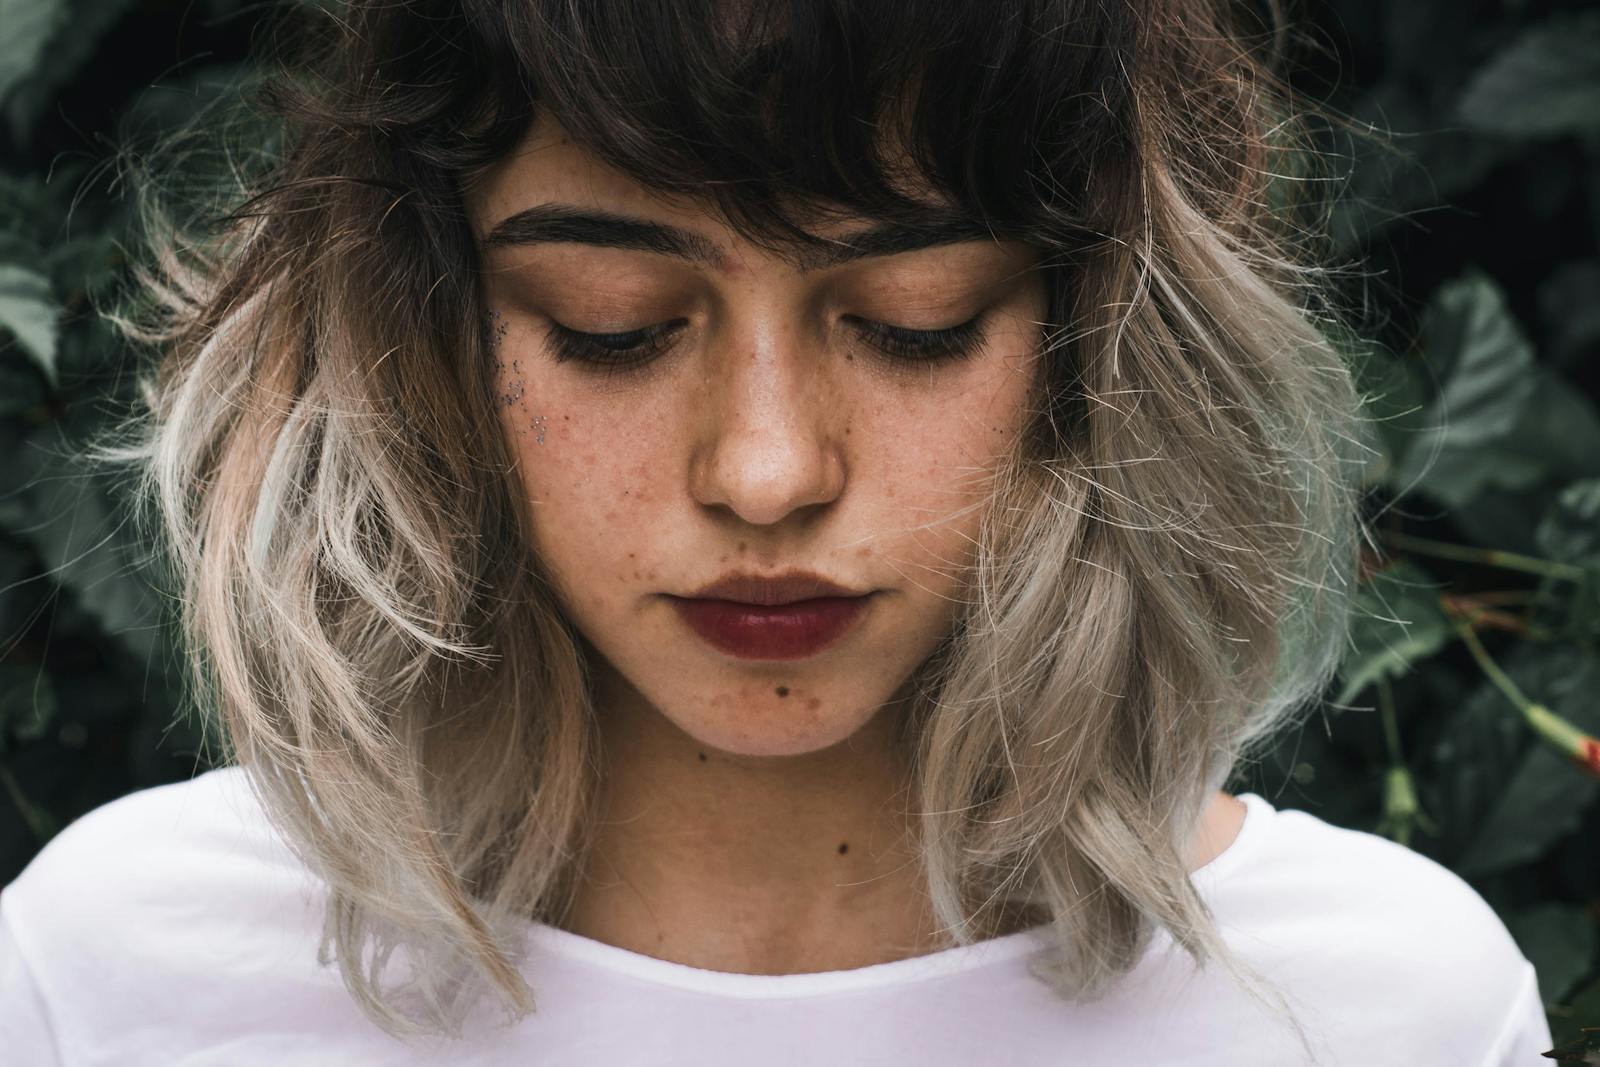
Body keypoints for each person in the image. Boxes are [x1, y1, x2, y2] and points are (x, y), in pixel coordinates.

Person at [0, 0, 1555, 1063]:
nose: (764, 473)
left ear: (1100, 340)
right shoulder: (121, 975)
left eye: (914, 322)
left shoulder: (1376, 1012)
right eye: (613, 324)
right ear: (432, 332)